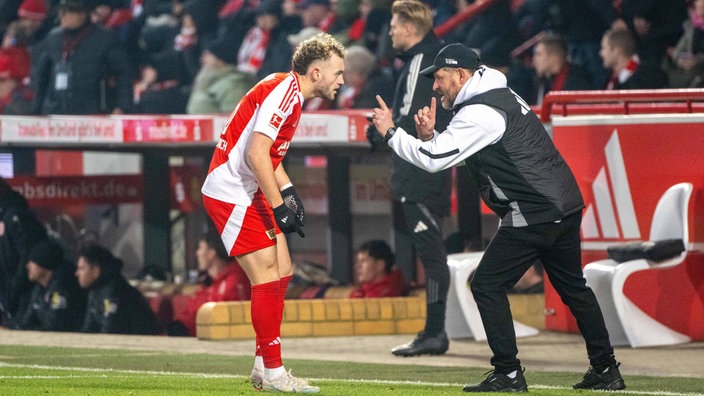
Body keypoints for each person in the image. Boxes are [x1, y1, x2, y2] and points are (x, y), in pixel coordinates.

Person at [371, 42, 625, 392]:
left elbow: (434, 160)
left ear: (460, 74)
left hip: (535, 210)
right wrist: (432, 137)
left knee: (486, 285)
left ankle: (507, 373)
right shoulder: (498, 95)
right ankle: (606, 369)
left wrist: (391, 132)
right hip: (562, 205)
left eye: (440, 77)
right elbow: (468, 148)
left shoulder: (480, 112)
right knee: (573, 289)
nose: (435, 86)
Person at [200, 32, 346, 393]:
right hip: (231, 192)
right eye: (337, 72)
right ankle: (276, 373)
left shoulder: (286, 89)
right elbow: (255, 153)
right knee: (266, 276)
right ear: (315, 72)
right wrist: (279, 207)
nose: (341, 80)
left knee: (282, 271)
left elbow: (269, 157)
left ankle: (262, 365)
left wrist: (289, 193)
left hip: (247, 189)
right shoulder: (286, 93)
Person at [374, 0, 453, 358]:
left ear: (409, 26)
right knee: (430, 253)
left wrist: (381, 132)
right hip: (424, 169)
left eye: (394, 24)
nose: (390, 30)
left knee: (432, 254)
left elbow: (411, 116)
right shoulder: (426, 58)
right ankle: (432, 331)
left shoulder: (424, 60)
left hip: (420, 172)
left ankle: (434, 333)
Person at [31, 0, 133, 115]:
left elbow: (123, 73)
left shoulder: (105, 38)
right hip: (57, 110)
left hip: (94, 109)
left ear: (83, 14)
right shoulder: (53, 38)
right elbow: (41, 75)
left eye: (69, 11)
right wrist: (37, 108)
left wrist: (122, 105)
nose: (63, 16)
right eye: (61, 11)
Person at [169, 228, 251, 336]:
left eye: (200, 248)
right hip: (191, 331)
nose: (197, 253)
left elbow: (223, 317)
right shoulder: (210, 281)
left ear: (212, 253)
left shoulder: (235, 279)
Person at [75, 243, 162, 335]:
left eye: (81, 268)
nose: (77, 273)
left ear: (96, 271)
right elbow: (89, 328)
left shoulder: (114, 290)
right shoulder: (95, 290)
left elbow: (111, 329)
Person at [0, 178, 49, 325]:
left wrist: (13, 290)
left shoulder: (16, 216)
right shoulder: (6, 216)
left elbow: (27, 255)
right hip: (11, 291)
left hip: (23, 292)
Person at [10, 240, 86, 332]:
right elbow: (28, 321)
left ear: (44, 263)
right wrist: (11, 328)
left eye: (32, 261)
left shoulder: (62, 287)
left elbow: (55, 325)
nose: (27, 266)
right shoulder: (40, 288)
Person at [186, 37, 257, 114]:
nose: (202, 59)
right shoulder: (209, 82)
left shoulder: (235, 85)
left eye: (207, 55)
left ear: (220, 60)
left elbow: (234, 118)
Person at [530, 33, 592, 106]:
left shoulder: (577, 82)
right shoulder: (541, 83)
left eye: (539, 54)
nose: (534, 60)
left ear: (554, 57)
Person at [599, 28, 668, 90]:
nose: (601, 53)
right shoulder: (610, 79)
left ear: (617, 52)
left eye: (604, 48)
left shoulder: (648, 75)